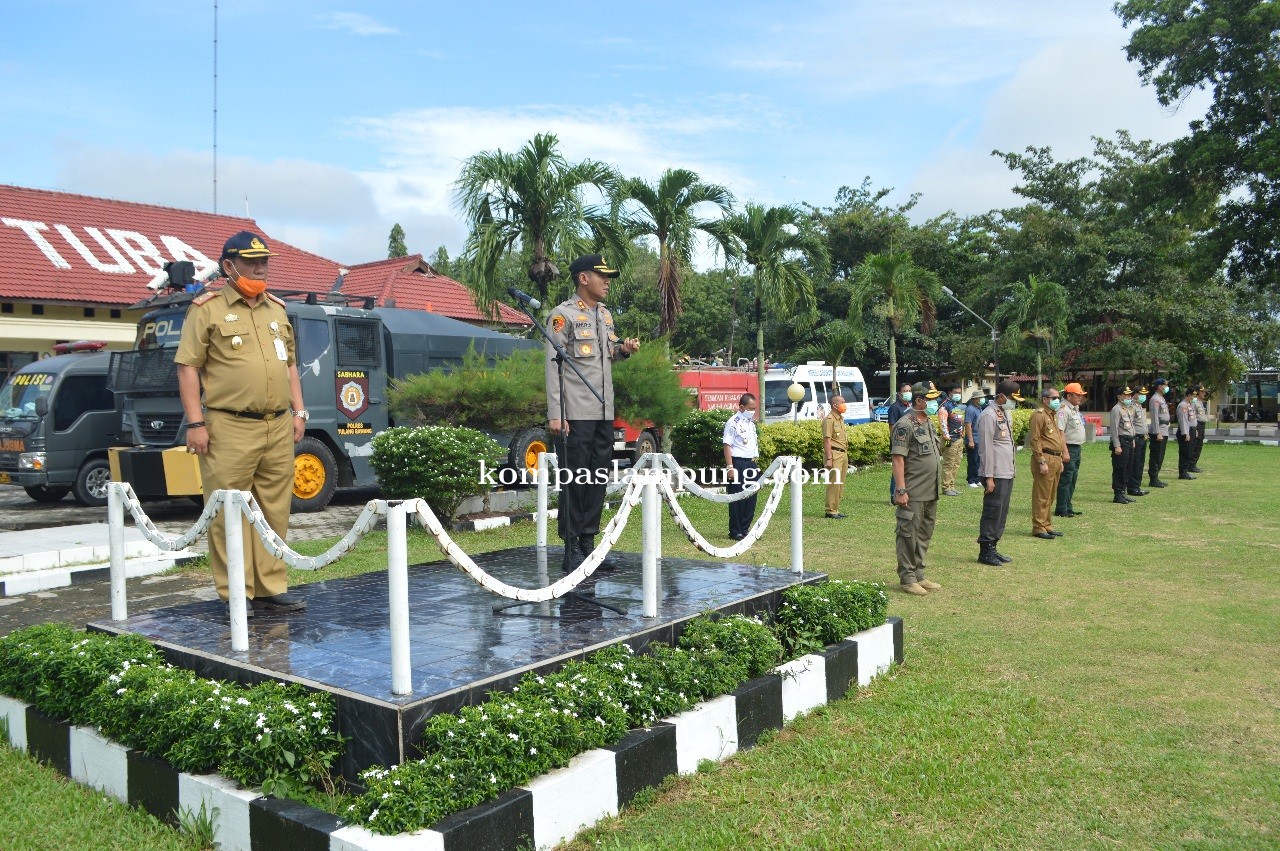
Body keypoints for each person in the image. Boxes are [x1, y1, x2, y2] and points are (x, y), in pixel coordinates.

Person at [175, 231, 308, 615]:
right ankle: (236, 591)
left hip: (278, 425)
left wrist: (299, 412)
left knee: (274, 508)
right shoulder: (207, 309)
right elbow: (187, 367)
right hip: (228, 426)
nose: (261, 268)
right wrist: (195, 422)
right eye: (252, 263)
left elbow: (291, 366)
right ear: (228, 266)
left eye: (264, 262)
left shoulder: (277, 309)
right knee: (228, 510)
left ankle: (269, 588)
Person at [546, 255, 641, 573]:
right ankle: (571, 547)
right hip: (574, 412)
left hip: (603, 410)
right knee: (574, 480)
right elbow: (552, 366)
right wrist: (556, 413)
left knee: (598, 477)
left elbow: (610, 353)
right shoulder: (562, 315)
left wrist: (624, 350)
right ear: (583, 278)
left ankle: (588, 543)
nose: (608, 281)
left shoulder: (605, 315)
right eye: (603, 276)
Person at [891, 382, 943, 595]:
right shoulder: (905, 424)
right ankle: (907, 577)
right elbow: (898, 459)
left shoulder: (927, 422)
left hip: (930, 490)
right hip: (913, 490)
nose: (935, 403)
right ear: (920, 401)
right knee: (908, 534)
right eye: (931, 400)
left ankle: (919, 573)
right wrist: (901, 490)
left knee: (924, 533)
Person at [976, 379, 1021, 566]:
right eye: (1012, 398)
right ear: (1001, 396)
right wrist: (989, 477)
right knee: (993, 510)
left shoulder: (1005, 412)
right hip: (994, 473)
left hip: (1006, 471)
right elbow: (985, 448)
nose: (1015, 402)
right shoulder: (988, 415)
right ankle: (985, 550)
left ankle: (994, 545)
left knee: (1002, 511)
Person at [1028, 386, 1066, 539]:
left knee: (1050, 494)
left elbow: (1055, 438)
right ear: (1045, 399)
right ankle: (1038, 527)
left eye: (1058, 398)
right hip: (1045, 457)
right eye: (1054, 398)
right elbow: (1035, 440)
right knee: (1042, 495)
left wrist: (1060, 459)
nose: (1057, 401)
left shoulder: (1052, 414)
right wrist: (1041, 461)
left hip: (1055, 458)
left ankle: (1046, 525)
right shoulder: (1039, 415)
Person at [723, 393, 760, 539]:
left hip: (750, 463)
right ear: (741, 407)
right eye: (750, 408)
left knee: (751, 498)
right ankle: (735, 530)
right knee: (738, 497)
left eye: (754, 408)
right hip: (738, 462)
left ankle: (745, 528)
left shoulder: (750, 423)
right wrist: (730, 467)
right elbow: (727, 445)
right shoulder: (733, 422)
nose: (753, 411)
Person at [1055, 382, 1088, 518]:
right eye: (1078, 395)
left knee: (1073, 478)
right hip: (1069, 447)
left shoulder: (1074, 408)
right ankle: (1061, 508)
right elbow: (1060, 432)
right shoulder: (1063, 410)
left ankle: (1068, 506)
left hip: (1076, 447)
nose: (1080, 397)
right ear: (1069, 396)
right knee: (1066, 479)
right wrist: (1065, 451)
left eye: (1081, 395)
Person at [1109, 387, 1138, 504]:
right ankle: (1118, 494)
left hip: (1129, 441)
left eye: (1130, 395)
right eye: (1126, 395)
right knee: (1120, 468)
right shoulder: (1116, 409)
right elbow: (1114, 429)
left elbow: (1131, 426)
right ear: (1119, 396)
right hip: (1122, 441)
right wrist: (1117, 445)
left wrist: (1133, 439)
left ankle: (1123, 491)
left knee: (1128, 468)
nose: (1129, 397)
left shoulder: (1127, 409)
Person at [885, 382, 913, 502]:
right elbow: (892, 426)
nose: (908, 393)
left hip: (910, 442)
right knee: (898, 469)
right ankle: (894, 494)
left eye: (909, 391)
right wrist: (895, 442)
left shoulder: (910, 406)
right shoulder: (895, 407)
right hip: (899, 443)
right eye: (905, 391)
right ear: (899, 393)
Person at [822, 394, 848, 519]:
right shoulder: (829, 419)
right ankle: (830, 510)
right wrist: (829, 458)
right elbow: (826, 440)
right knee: (834, 482)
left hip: (843, 453)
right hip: (834, 454)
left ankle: (836, 508)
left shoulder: (839, 419)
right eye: (842, 402)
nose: (844, 404)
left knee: (840, 483)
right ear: (835, 405)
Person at [939, 384, 966, 496]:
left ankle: (952, 485)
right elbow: (943, 422)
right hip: (950, 439)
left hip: (959, 438)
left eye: (959, 393)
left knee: (956, 464)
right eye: (956, 392)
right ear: (950, 393)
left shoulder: (957, 405)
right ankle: (946, 487)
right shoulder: (945, 406)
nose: (958, 395)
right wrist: (947, 437)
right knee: (948, 464)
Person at [1126, 387, 1151, 497]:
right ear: (1135, 395)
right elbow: (1130, 423)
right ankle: (1133, 487)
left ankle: (1137, 486)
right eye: (1141, 394)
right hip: (1136, 438)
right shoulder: (1131, 406)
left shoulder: (1139, 406)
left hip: (1142, 438)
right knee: (1135, 464)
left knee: (1140, 463)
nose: (1143, 396)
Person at [1147, 378, 1171, 487]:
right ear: (1159, 386)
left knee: (1161, 455)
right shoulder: (1155, 399)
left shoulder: (1161, 398)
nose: (1166, 387)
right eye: (1165, 385)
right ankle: (1153, 478)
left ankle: (1156, 477)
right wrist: (1157, 432)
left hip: (1164, 429)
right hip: (1158, 431)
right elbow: (1155, 417)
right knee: (1156, 456)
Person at [964, 389, 987, 488]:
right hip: (973, 439)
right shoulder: (970, 409)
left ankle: (977, 478)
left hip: (979, 439)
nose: (982, 399)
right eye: (981, 397)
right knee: (972, 460)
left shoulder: (979, 408)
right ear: (976, 399)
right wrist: (970, 440)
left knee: (978, 461)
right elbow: (968, 425)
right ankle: (971, 480)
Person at [1176, 387, 1198, 480]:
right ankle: (1183, 473)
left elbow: (1192, 419)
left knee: (1189, 452)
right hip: (1186, 431)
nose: (1194, 398)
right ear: (1189, 396)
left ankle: (1185, 472)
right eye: (1193, 396)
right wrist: (1186, 433)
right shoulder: (1183, 406)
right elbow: (1183, 421)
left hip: (1191, 430)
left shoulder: (1189, 405)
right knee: (1185, 452)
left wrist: (1195, 429)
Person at [1191, 385, 1208, 472]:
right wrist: (1196, 428)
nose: (1204, 393)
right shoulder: (1194, 402)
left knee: (1199, 445)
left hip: (1202, 425)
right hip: (1197, 425)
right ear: (1197, 392)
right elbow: (1192, 415)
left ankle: (1194, 464)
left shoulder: (1200, 402)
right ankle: (1192, 464)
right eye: (1202, 392)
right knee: (1196, 445)